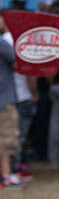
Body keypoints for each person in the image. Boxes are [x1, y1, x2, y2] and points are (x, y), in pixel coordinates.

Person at [0, 26, 21, 189]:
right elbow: (17, 64)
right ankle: (7, 176)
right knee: (7, 139)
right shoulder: (2, 43)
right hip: (3, 98)